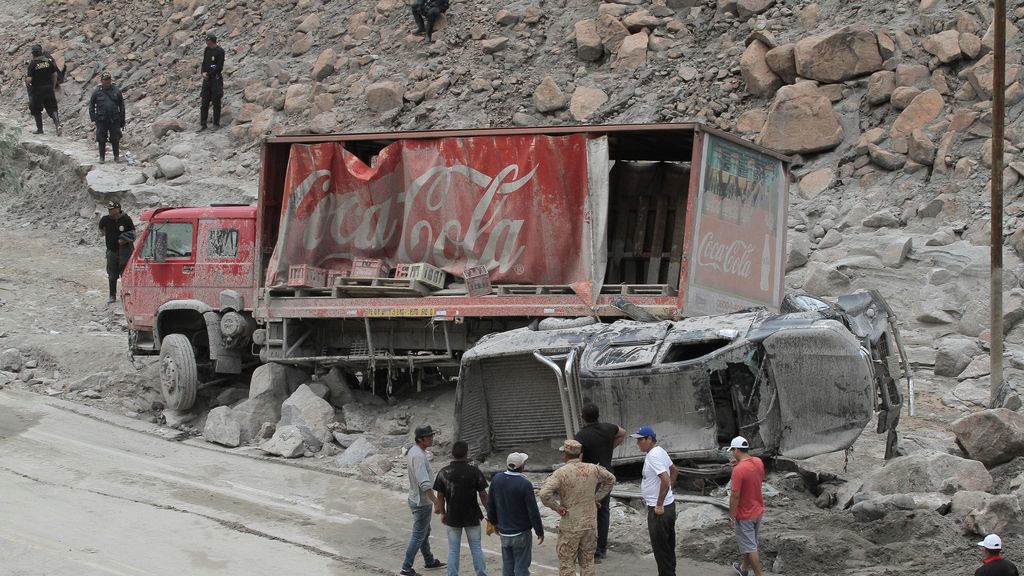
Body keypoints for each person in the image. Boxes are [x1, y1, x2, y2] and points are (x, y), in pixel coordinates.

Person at [538, 440, 615, 576]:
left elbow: (544, 494)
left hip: (571, 524)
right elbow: (611, 479)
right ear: (580, 454)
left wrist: (556, 507)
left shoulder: (561, 473)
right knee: (587, 563)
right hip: (589, 523)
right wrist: (596, 498)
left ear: (565, 455)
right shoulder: (593, 469)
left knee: (567, 565)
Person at [574, 403, 626, 562]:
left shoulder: (581, 435)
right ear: (598, 415)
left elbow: (578, 459)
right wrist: (610, 446)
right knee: (603, 513)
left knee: (587, 512)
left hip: (590, 478)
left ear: (583, 417)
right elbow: (622, 432)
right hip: (607, 476)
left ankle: (587, 548)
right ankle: (601, 549)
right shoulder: (608, 428)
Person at [433, 440, 489, 576]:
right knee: (476, 547)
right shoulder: (474, 471)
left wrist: (443, 512)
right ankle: (481, 573)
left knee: (453, 549)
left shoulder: (443, 472)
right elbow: (483, 494)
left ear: (452, 454)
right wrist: (490, 512)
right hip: (472, 515)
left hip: (452, 516)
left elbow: (440, 495)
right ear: (466, 453)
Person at [486, 452, 544, 576]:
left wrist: (494, 522)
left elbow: (490, 504)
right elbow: (533, 511)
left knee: (507, 566)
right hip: (521, 533)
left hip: (504, 532)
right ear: (521, 466)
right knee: (521, 567)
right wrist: (539, 531)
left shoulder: (496, 479)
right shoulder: (525, 484)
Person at [631, 425, 677, 576]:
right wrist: (669, 491)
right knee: (668, 548)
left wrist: (659, 503)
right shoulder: (659, 451)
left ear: (649, 439)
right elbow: (674, 470)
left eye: (640, 440)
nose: (638, 444)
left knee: (662, 551)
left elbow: (665, 479)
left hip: (660, 511)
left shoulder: (653, 456)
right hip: (668, 506)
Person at [402, 424, 446, 576]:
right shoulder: (419, 456)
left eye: (432, 436)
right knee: (418, 535)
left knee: (424, 533)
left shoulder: (414, 451)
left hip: (415, 498)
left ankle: (429, 560)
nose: (431, 438)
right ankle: (406, 568)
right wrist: (436, 502)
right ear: (420, 439)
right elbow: (425, 483)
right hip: (421, 502)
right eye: (428, 437)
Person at [727, 436, 764, 576]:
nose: (732, 453)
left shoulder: (738, 470)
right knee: (751, 543)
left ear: (736, 450)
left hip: (745, 514)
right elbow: (754, 475)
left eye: (733, 450)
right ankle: (743, 568)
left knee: (750, 547)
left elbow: (735, 496)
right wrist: (738, 465)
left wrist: (731, 517)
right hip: (758, 509)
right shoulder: (758, 462)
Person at [98, 200, 135, 304]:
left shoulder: (126, 219)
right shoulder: (105, 219)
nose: (110, 211)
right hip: (112, 251)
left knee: (125, 274)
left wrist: (124, 239)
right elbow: (101, 229)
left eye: (112, 209)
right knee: (112, 274)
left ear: (118, 209)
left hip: (125, 252)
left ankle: (126, 294)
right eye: (109, 209)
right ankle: (112, 295)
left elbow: (133, 234)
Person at [89, 72, 126, 164]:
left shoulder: (116, 90)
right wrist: (94, 118)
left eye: (108, 79)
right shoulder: (97, 92)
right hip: (101, 120)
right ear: (101, 81)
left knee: (115, 138)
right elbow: (91, 105)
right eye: (105, 80)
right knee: (101, 138)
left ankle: (116, 156)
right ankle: (102, 157)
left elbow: (122, 105)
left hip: (114, 119)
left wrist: (122, 119)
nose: (107, 81)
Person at [24, 44, 61, 135]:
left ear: (33, 53)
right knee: (52, 108)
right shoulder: (48, 61)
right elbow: (55, 75)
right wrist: (52, 86)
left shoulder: (33, 63)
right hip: (48, 88)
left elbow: (29, 80)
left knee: (36, 109)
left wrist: (27, 82)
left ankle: (40, 129)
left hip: (37, 90)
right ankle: (58, 124)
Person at [199, 32, 225, 131]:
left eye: (207, 40)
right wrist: (202, 72)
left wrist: (209, 74)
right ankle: (203, 124)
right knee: (204, 102)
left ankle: (216, 124)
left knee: (216, 102)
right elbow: (204, 62)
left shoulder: (220, 51)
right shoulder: (207, 50)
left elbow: (219, 67)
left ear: (211, 41)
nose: (206, 42)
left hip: (215, 80)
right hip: (206, 80)